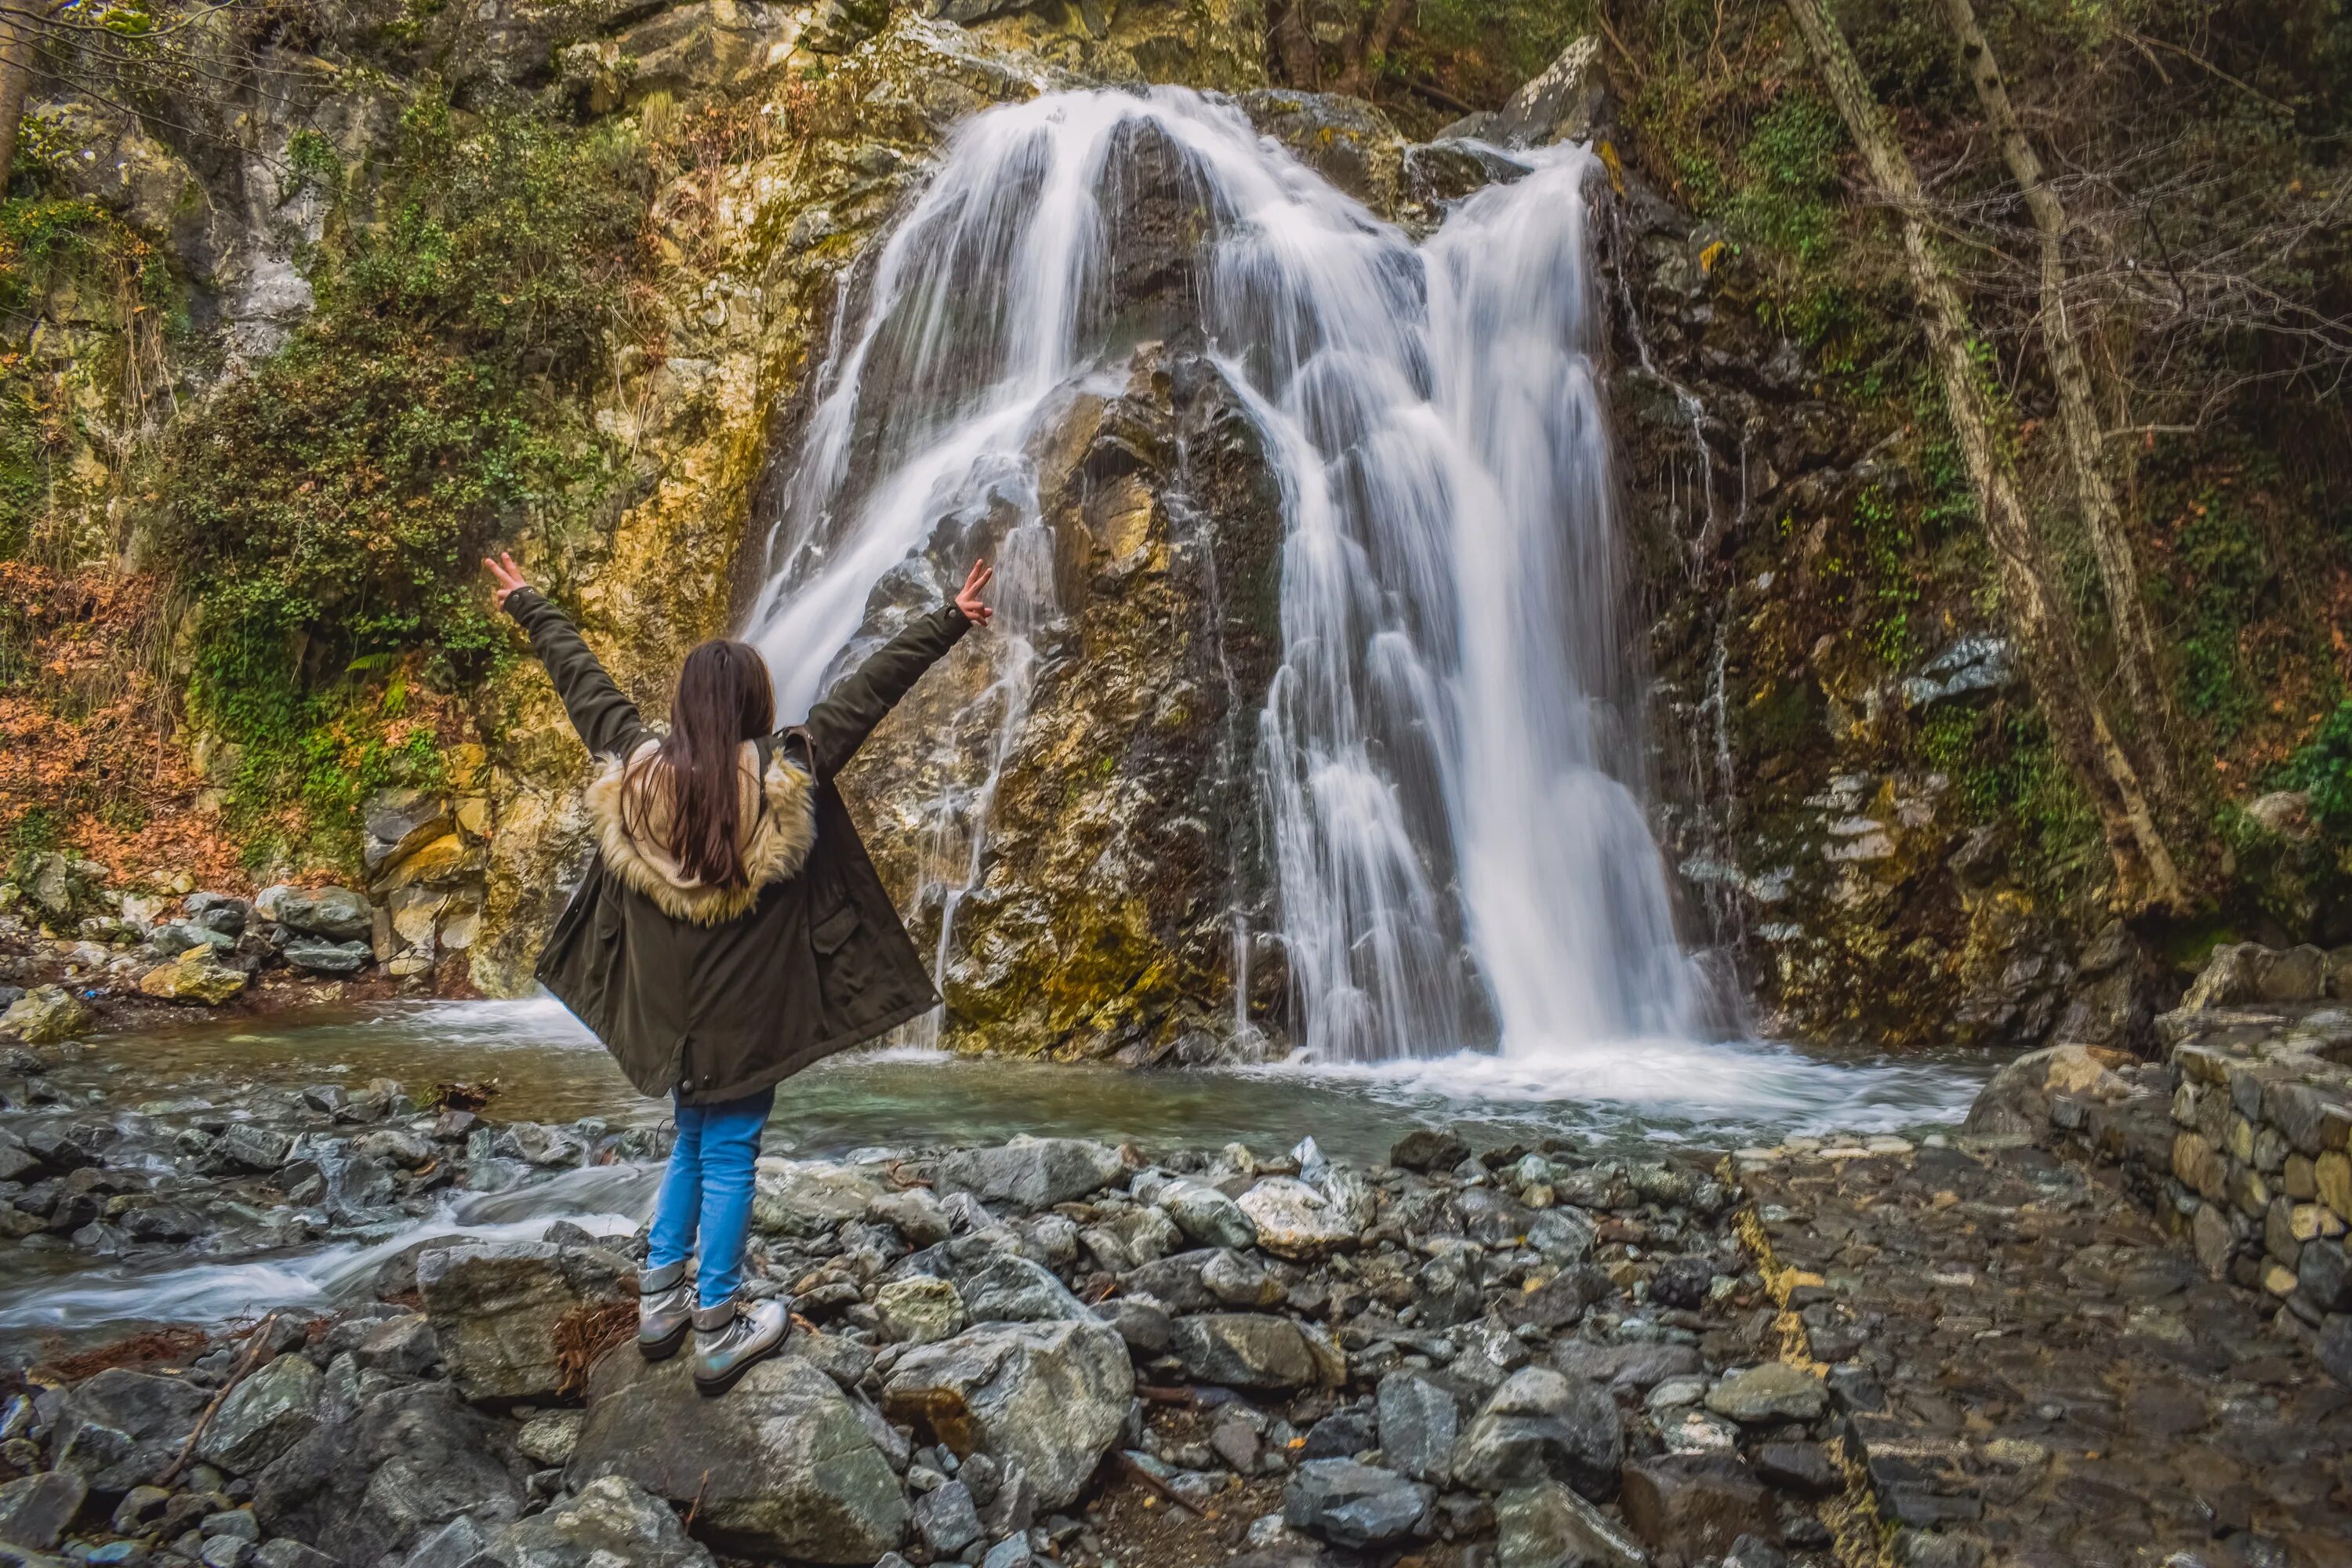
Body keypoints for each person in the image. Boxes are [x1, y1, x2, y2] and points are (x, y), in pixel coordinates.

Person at [482, 550, 993, 1393]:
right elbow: (864, 695)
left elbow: (586, 684)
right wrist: (948, 618)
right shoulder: (786, 773)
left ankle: (659, 1301)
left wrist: (532, 605)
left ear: (682, 707)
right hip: (746, 1021)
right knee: (730, 1153)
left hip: (668, 1016)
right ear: (757, 706)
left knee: (692, 1135)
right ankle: (717, 1323)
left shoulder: (635, 769)